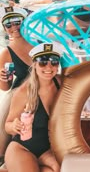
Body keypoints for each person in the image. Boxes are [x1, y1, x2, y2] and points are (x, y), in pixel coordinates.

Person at [4, 42, 62, 172]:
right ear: (35, 64)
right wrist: (14, 126)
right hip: (22, 148)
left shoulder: (60, 83)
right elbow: (7, 125)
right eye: (42, 62)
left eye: (54, 62)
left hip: (46, 150)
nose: (49, 67)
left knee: (60, 168)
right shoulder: (24, 92)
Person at [0, 6, 33, 91]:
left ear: (25, 22)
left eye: (17, 22)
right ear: (5, 28)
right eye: (8, 24)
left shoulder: (39, 42)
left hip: (47, 92)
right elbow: (5, 88)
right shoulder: (6, 53)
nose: (13, 26)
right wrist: (3, 78)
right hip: (23, 95)